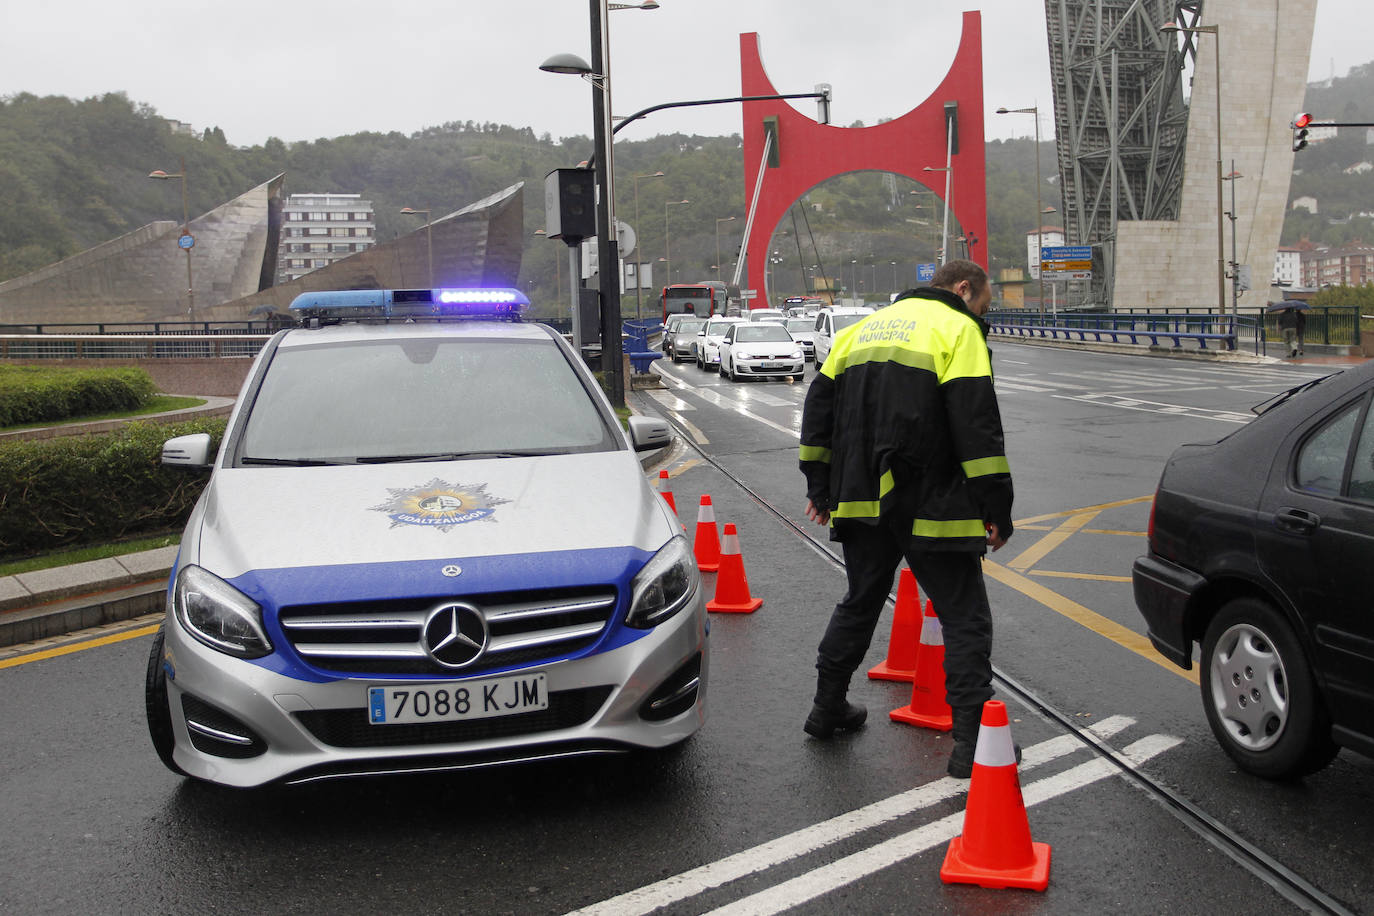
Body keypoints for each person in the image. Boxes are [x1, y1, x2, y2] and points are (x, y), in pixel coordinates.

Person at [797, 259, 1014, 779]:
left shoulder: (858, 332)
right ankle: (970, 745)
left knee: (860, 601)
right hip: (933, 501)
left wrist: (820, 487)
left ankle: (827, 708)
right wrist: (996, 508)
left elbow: (817, 413)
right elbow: (976, 427)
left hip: (861, 497)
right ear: (964, 289)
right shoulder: (957, 329)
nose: (982, 315)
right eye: (983, 305)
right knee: (963, 616)